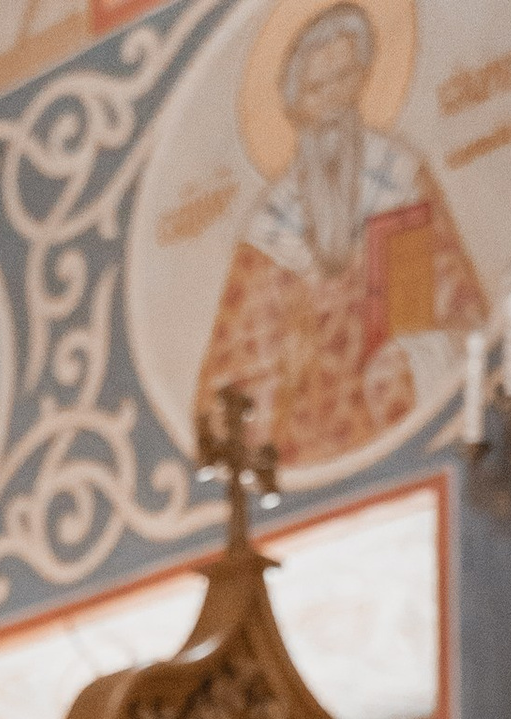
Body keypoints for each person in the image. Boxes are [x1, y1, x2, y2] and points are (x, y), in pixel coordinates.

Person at [196, 0, 485, 464]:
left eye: (344, 79)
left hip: (384, 388)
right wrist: (285, 353)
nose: (333, 101)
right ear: (294, 104)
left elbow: (437, 307)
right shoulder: (271, 221)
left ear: (364, 78)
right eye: (316, 88)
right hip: (302, 414)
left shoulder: (398, 178)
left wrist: (403, 352)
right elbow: (235, 364)